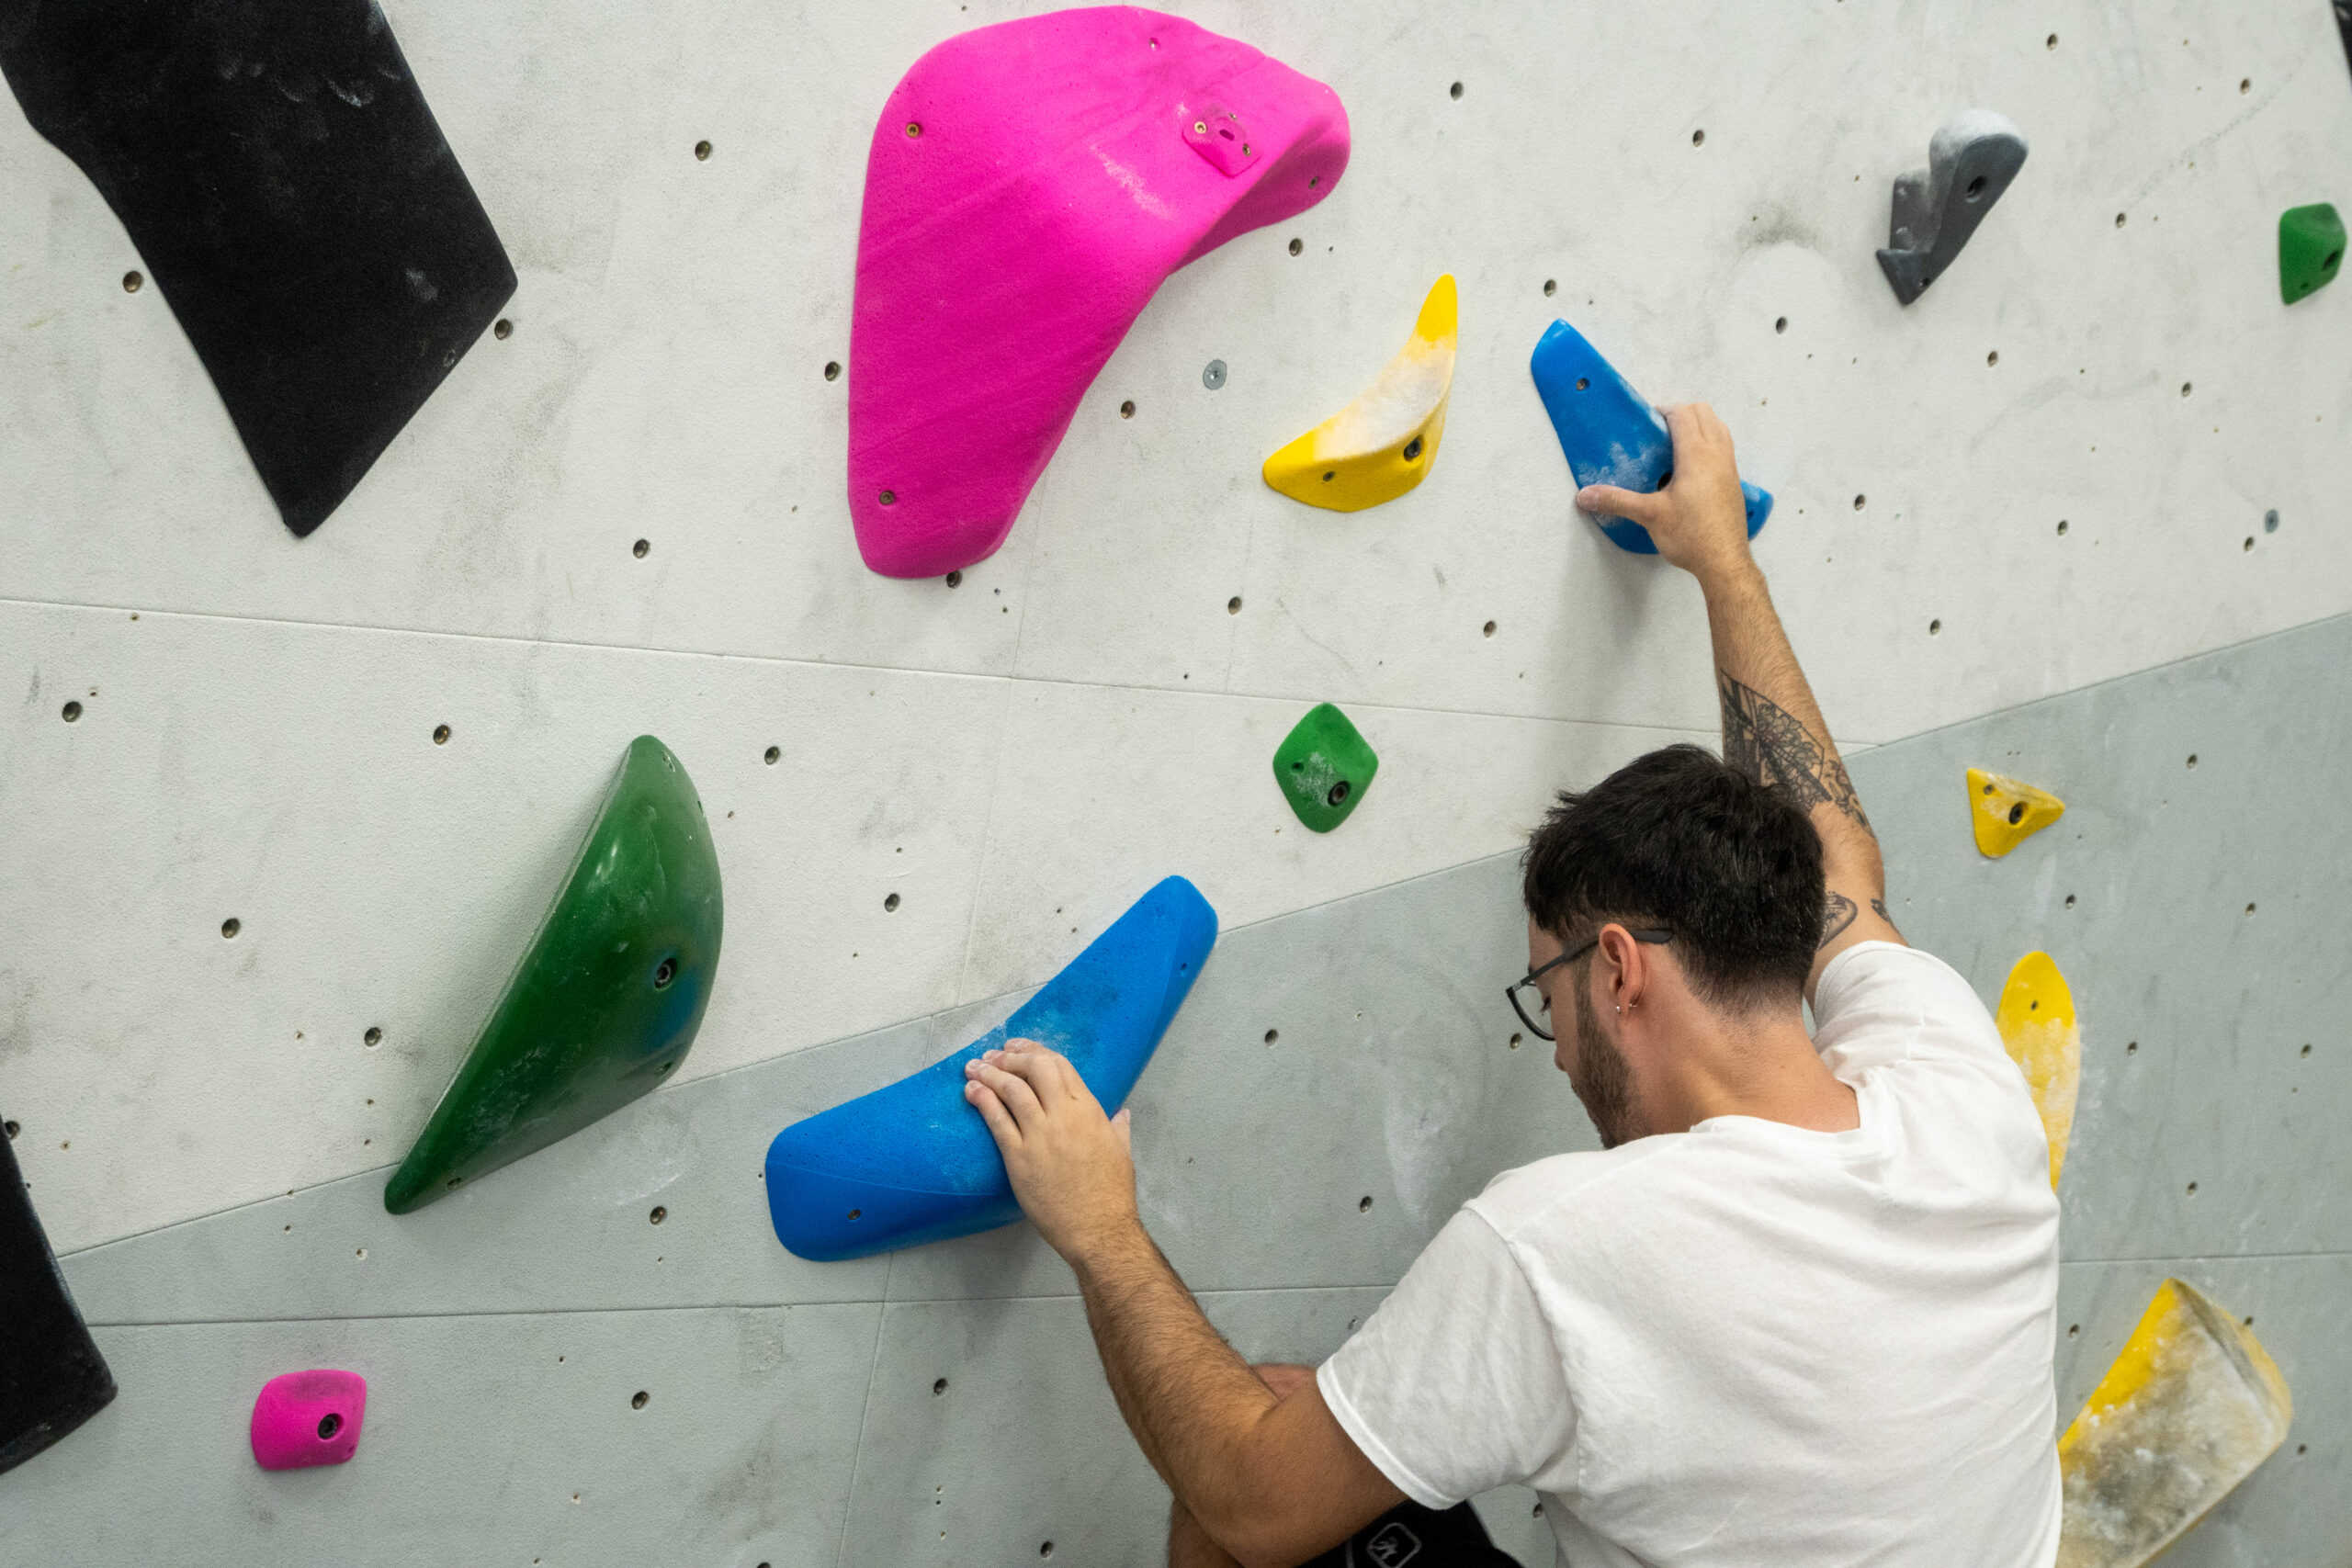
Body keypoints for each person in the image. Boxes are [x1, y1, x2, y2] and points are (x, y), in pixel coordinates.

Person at [962, 404, 2064, 1568]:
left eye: (1549, 993)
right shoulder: (1959, 1089)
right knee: (1294, 1402)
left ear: (1619, 969)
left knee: (1248, 1512)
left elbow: (1249, 1500)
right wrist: (1721, 562)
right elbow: (1836, 853)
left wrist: (1098, 1228)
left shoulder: (1567, 1247)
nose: (1553, 1048)